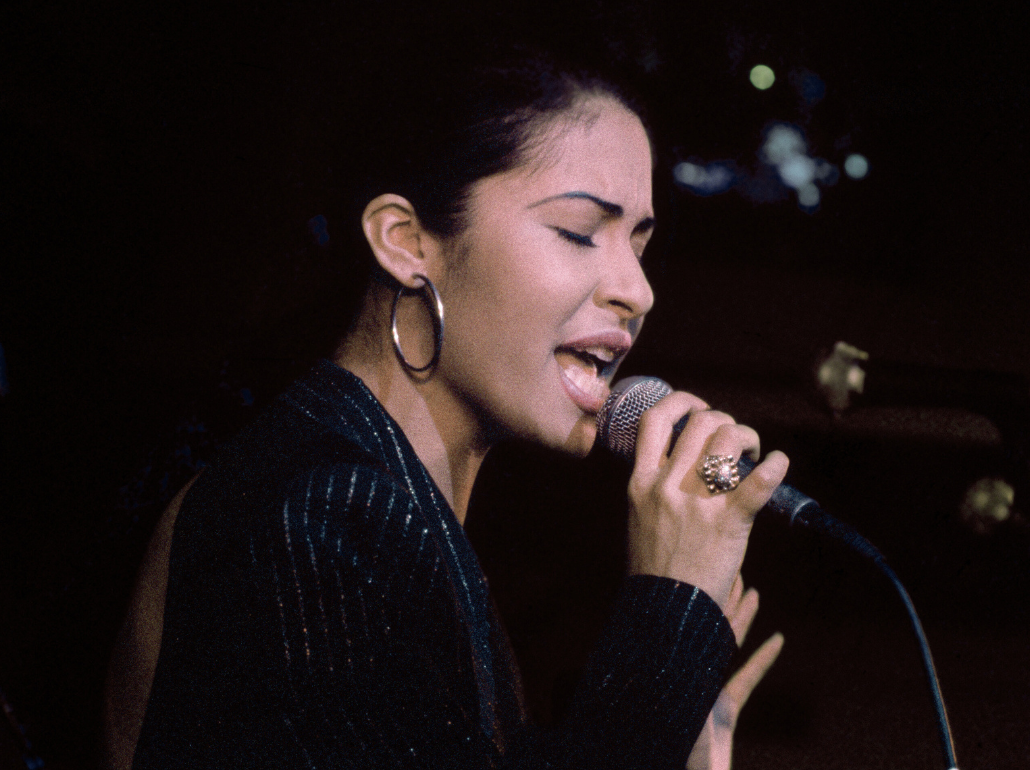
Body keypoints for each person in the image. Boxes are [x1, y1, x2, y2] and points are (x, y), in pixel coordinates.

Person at [105, 50, 788, 770]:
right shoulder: (324, 509)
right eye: (580, 231)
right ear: (407, 241)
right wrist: (668, 621)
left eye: (639, 243)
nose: (638, 290)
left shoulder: (387, 507)